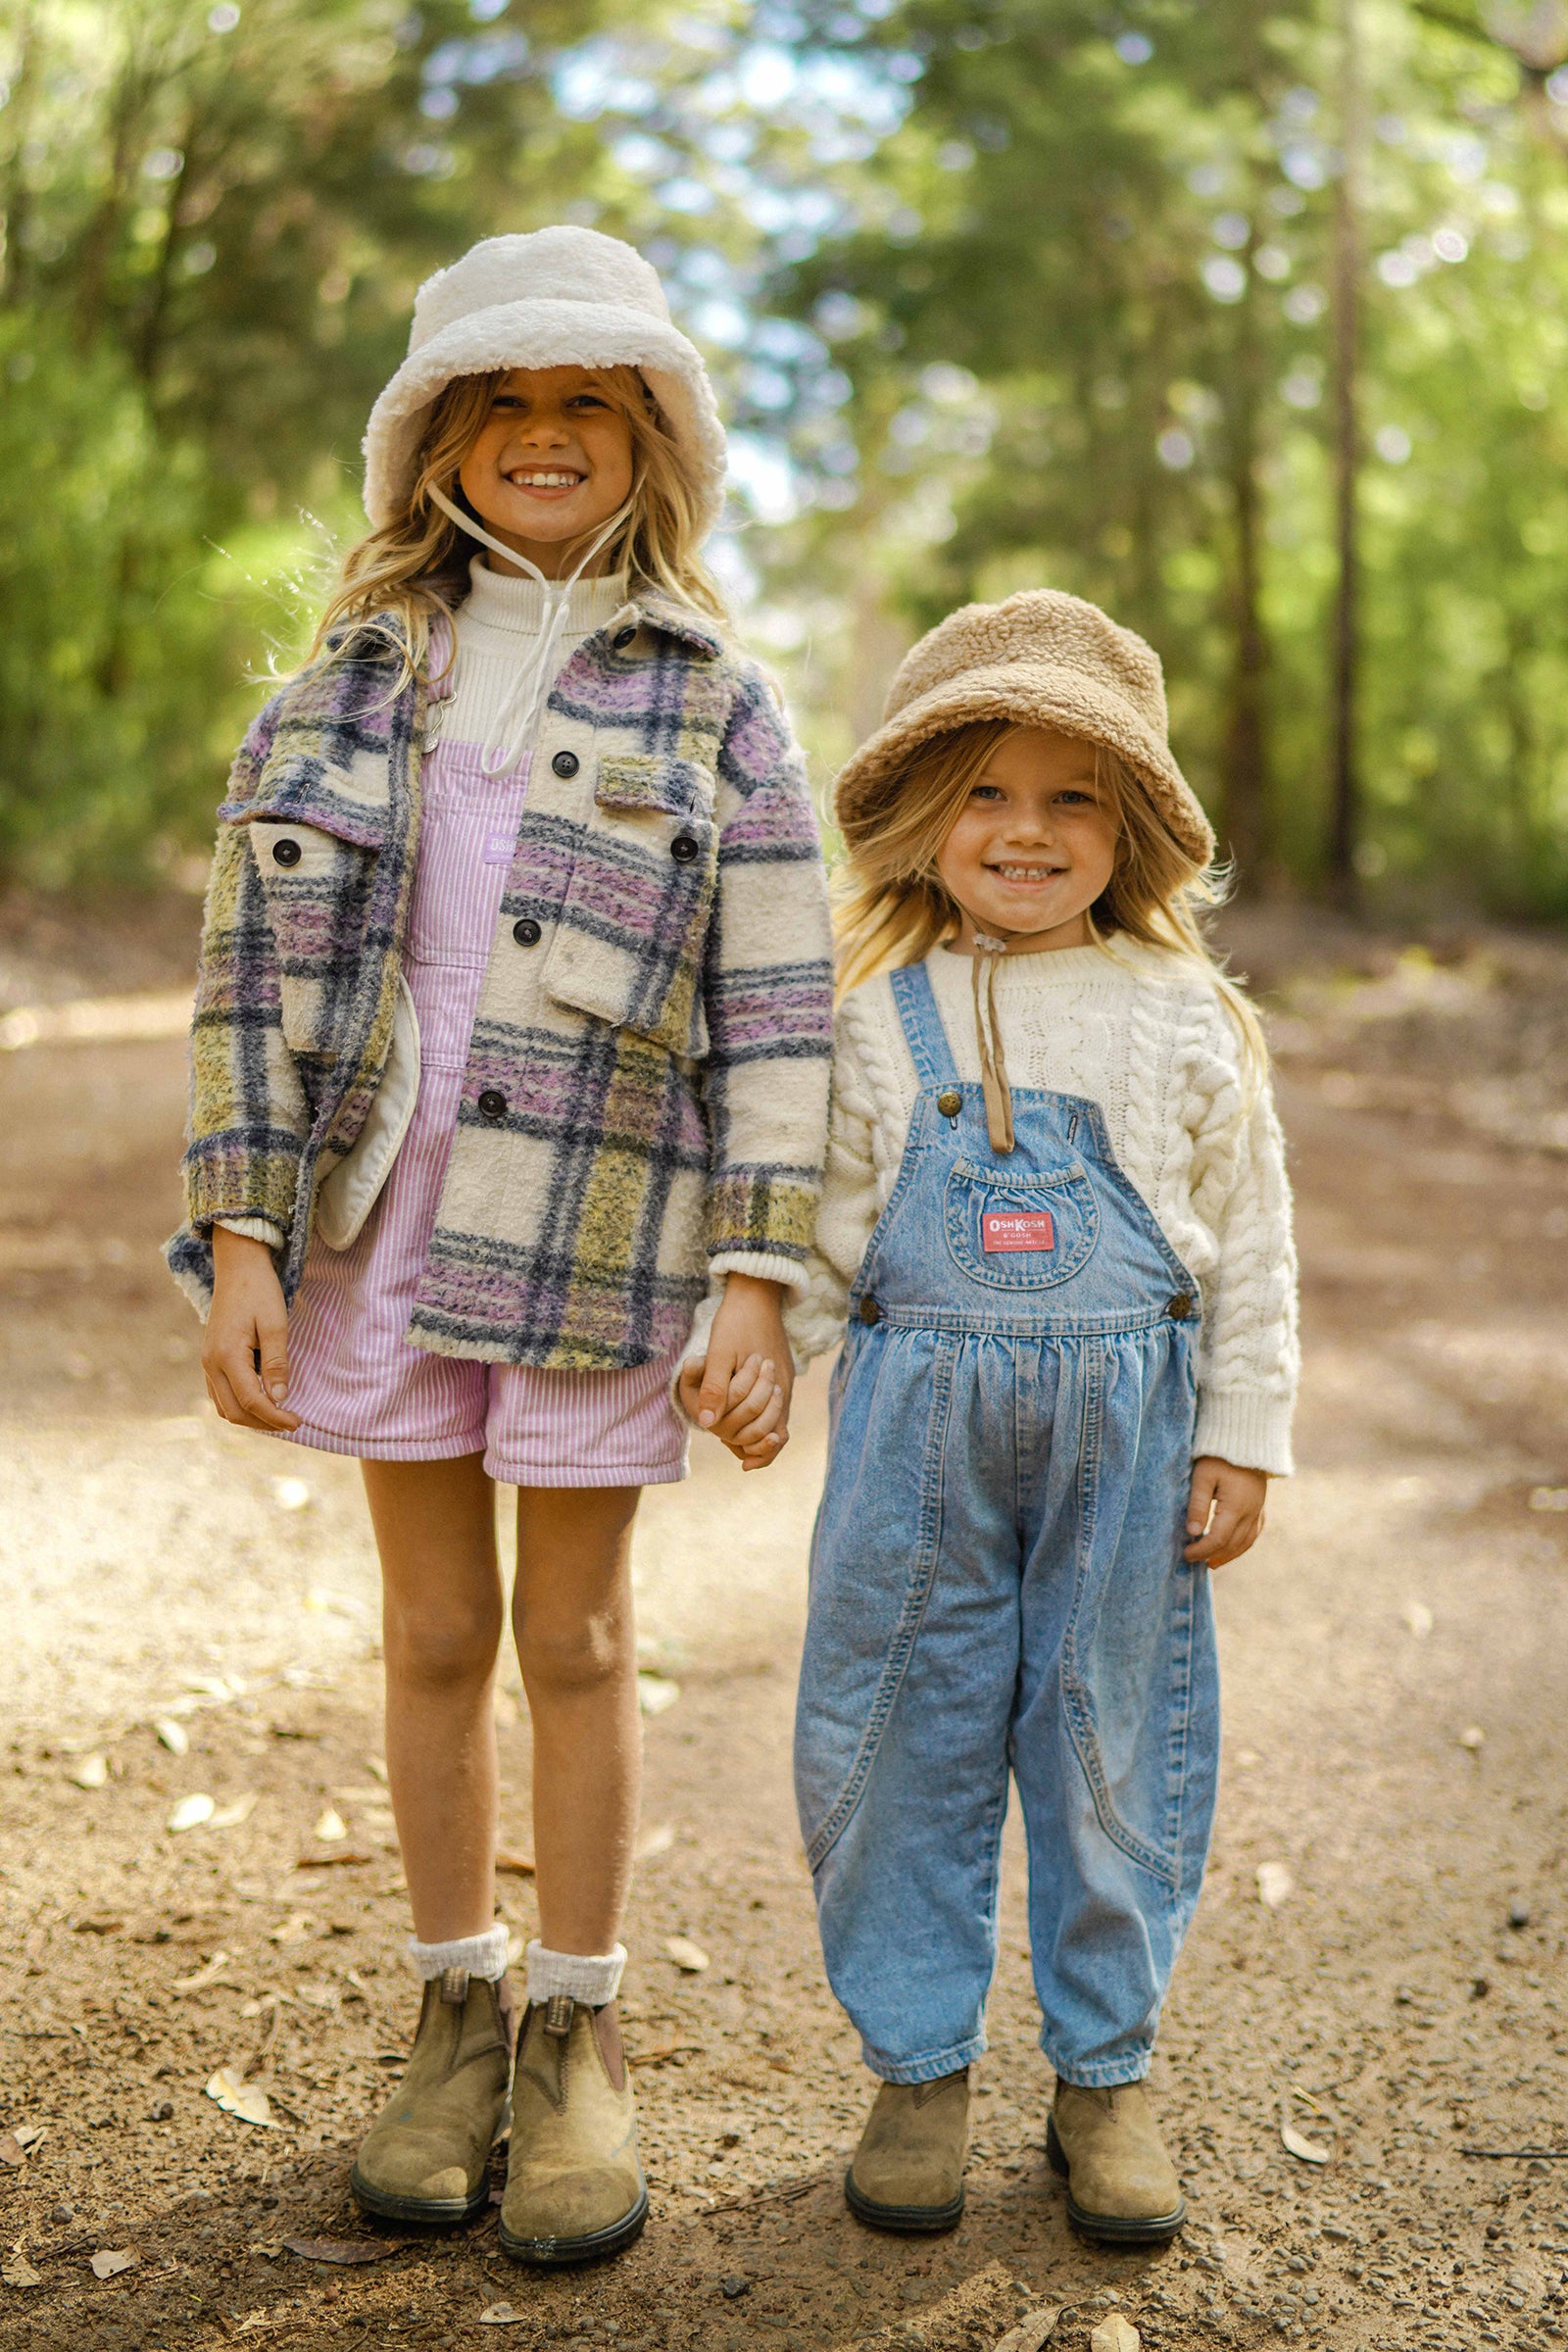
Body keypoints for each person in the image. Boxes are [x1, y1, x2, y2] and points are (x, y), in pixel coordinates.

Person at [166, 227, 832, 2266]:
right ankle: (452, 2001)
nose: (544, 438)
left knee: (580, 1640)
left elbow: (778, 1005)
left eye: (589, 407)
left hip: (605, 1242)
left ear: (654, 447)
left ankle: (576, 2036)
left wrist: (756, 1271)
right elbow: (245, 988)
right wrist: (243, 1234)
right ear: (433, 442)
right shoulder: (334, 696)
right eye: (503, 403)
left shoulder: (718, 707)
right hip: (372, 1232)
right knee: (439, 1637)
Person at [785, 591, 1298, 2245]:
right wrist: (759, 1341)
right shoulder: (875, 1016)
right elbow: (828, 1222)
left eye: (1074, 794)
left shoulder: (1181, 1013)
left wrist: (1245, 1427)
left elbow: (1253, 1242)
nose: (1027, 830)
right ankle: (919, 2067)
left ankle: (1106, 2076)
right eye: (988, 792)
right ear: (925, 820)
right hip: (912, 1445)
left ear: (1131, 825)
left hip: (1128, 1445)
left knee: (1109, 1742)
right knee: (896, 1738)